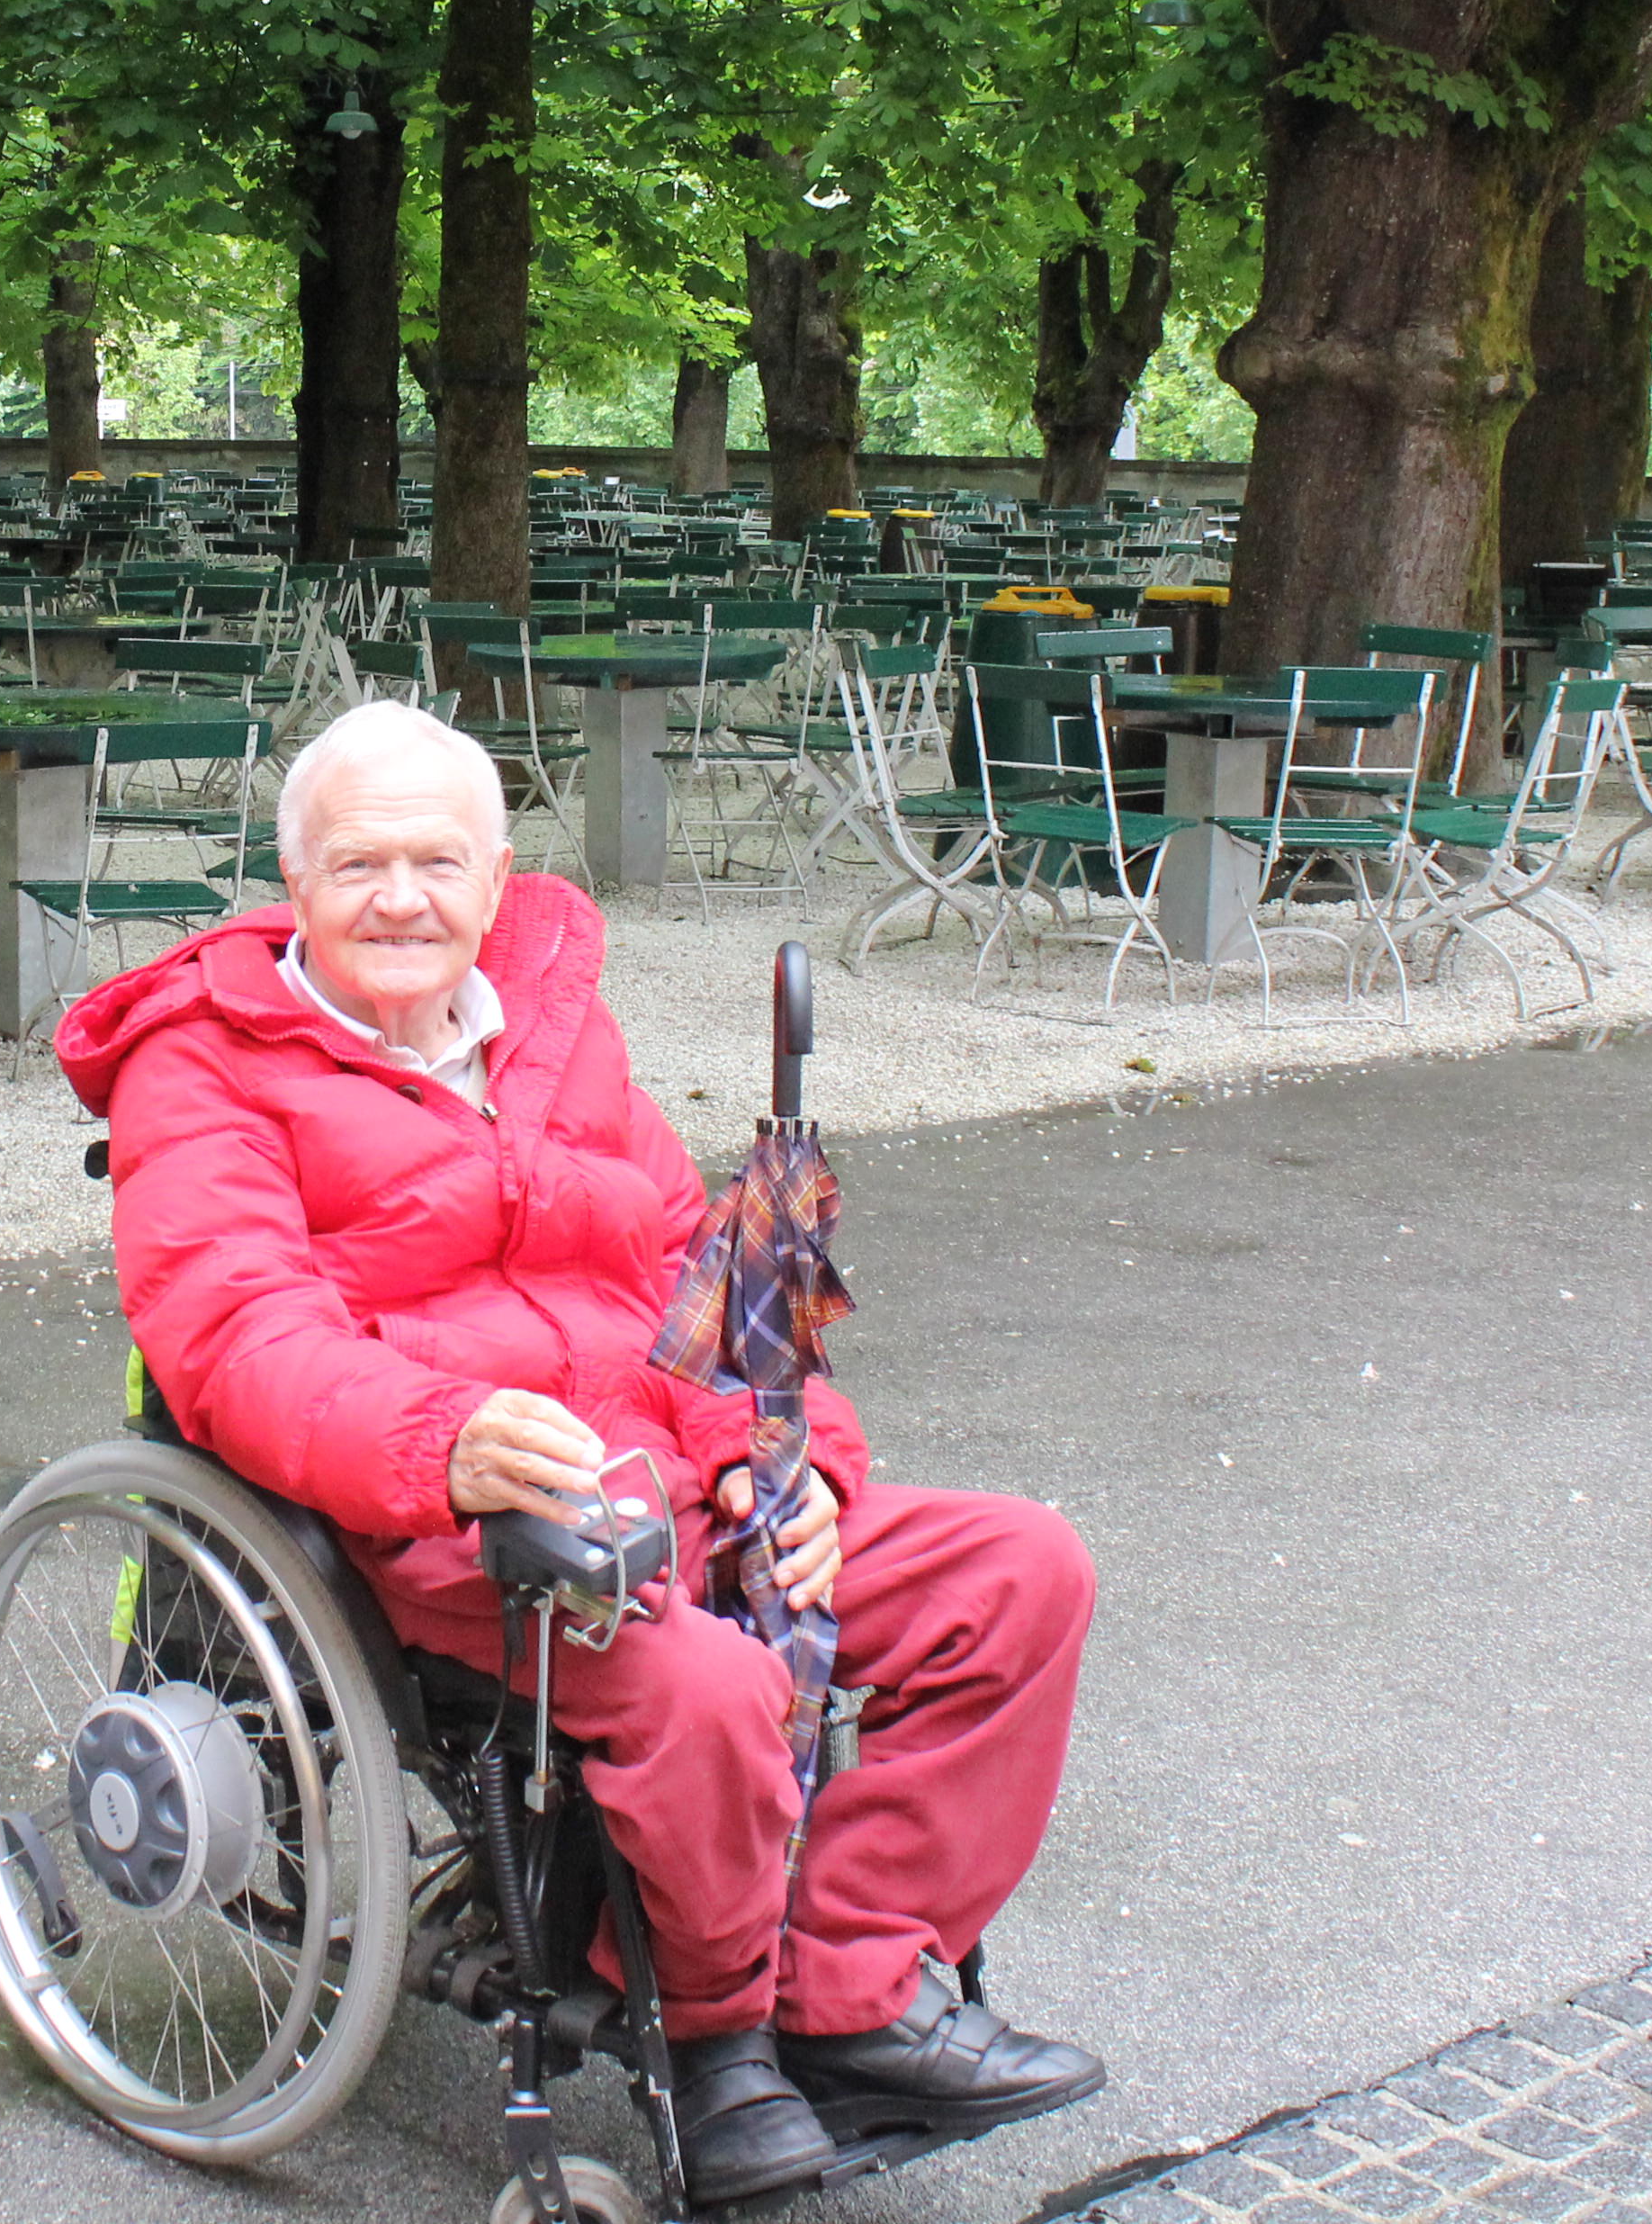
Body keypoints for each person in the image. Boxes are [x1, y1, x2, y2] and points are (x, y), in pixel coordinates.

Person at [57, 699, 1101, 2202]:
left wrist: (769, 1462)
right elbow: (234, 1338)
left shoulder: (547, 1020)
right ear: (293, 888)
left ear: (492, 880)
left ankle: (834, 1980)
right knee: (712, 1682)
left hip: (664, 1478)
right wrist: (447, 1440)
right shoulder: (205, 1067)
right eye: (357, 866)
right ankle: (727, 2033)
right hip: (450, 1517)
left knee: (1018, 1573)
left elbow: (695, 1274)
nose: (401, 898)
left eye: (437, 861)